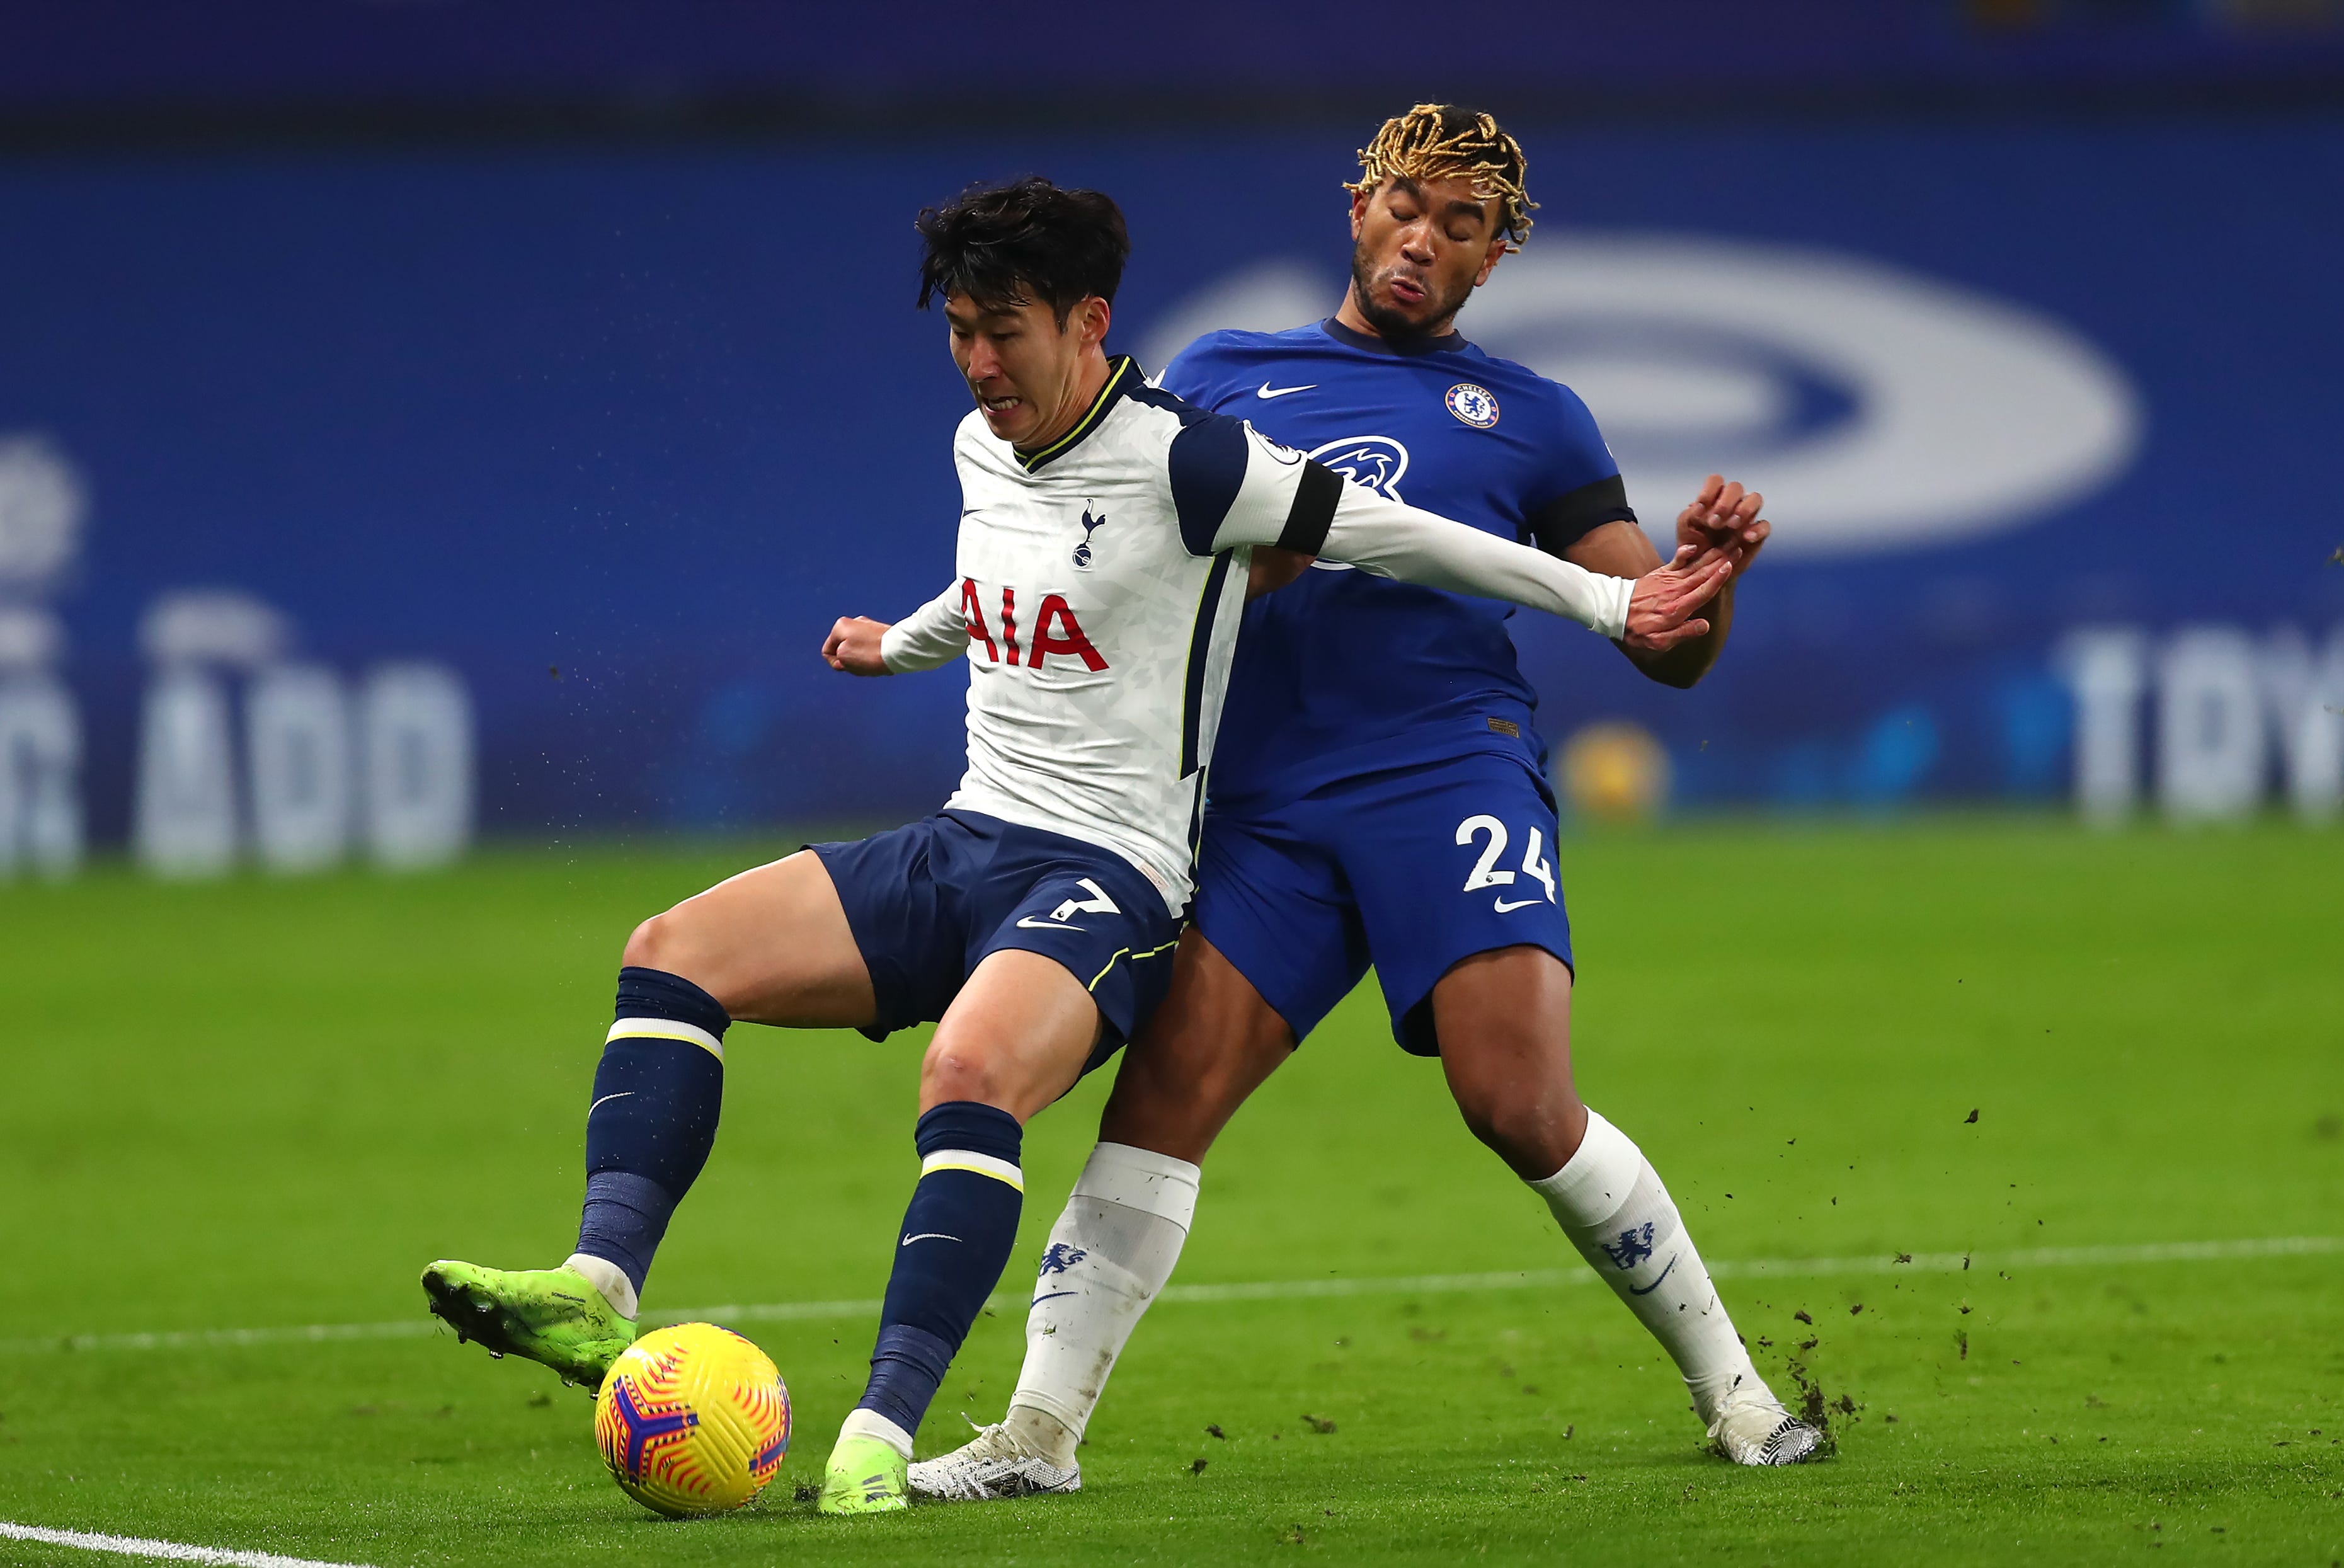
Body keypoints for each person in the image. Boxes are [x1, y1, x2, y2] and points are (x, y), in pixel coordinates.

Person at [418, 173, 1738, 1517]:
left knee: (987, 1072)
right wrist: (902, 643)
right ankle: (602, 1290)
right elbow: (1005, 571)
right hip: (986, 829)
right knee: (672, 952)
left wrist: (1609, 598)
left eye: (1005, 332)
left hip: (1123, 867)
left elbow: (1409, 537)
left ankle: (883, 1428)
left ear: (1087, 320)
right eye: (960, 334)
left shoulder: (1196, 456)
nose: (980, 363)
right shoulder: (982, 440)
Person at [913, 106, 1812, 1505]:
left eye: (1463, 224)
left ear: (1496, 257)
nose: (1424, 237)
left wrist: (1706, 577)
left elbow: (1666, 644)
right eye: (1406, 203)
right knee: (1161, 1105)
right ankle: (1036, 1437)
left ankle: (1739, 1397)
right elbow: (1117, 544)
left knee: (1514, 1102)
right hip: (1261, 804)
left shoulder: (1530, 418)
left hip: (1442, 772)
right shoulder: (1222, 375)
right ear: (1357, 209)